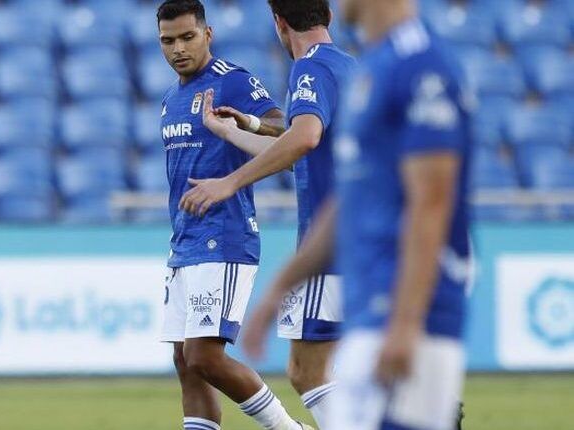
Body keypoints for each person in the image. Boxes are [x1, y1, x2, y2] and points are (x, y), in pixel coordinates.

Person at [243, 0, 473, 429]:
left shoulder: (423, 66)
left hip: (404, 293)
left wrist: (405, 324)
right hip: (367, 285)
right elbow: (353, 198)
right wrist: (280, 286)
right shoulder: (367, 69)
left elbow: (432, 201)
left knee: (317, 380)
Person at [179, 1, 354, 428]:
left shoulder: (309, 68)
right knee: (337, 371)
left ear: (278, 22)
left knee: (306, 372)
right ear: (327, 16)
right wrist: (239, 130)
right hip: (363, 237)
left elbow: (305, 138)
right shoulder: (349, 66)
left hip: (329, 242)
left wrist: (230, 182)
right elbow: (300, 152)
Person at [156, 1, 312, 429]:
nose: (178, 48)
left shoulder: (232, 81)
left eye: (187, 37)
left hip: (223, 236)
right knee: (184, 359)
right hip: (185, 242)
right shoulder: (171, 99)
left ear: (208, 34)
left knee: (204, 355)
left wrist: (249, 122)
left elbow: (288, 129)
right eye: (168, 41)